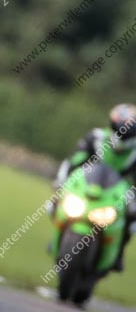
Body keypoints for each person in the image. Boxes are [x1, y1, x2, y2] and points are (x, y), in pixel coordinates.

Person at [53, 103, 136, 271]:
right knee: (55, 204)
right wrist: (62, 181)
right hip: (88, 186)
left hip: (119, 194)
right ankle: (57, 239)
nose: (122, 133)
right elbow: (74, 161)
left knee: (132, 220)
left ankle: (118, 253)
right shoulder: (96, 137)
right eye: (120, 127)